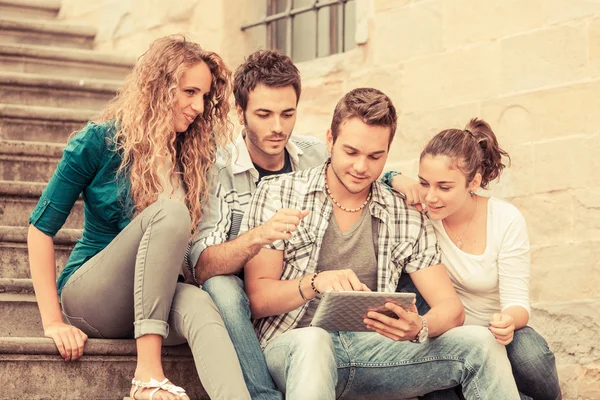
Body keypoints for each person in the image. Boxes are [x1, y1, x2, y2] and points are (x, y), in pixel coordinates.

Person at [241, 88, 520, 399]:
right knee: (314, 342)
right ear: (330, 140)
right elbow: (258, 298)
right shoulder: (279, 193)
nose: (362, 167)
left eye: (375, 156)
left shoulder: (405, 213)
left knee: (481, 343)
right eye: (351, 152)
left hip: (372, 350)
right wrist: (315, 283)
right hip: (294, 345)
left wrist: (418, 327)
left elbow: (451, 310)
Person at [27, 35, 251, 400]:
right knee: (171, 213)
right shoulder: (99, 141)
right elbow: (39, 229)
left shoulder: (190, 153)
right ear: (160, 87)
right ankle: (147, 375)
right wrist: (53, 322)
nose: (198, 106)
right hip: (94, 297)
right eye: (189, 91)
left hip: (154, 299)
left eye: (204, 96)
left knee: (201, 305)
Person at [185, 49, 328, 400]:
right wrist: (258, 236)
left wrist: (396, 178)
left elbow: (362, 169)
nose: (278, 127)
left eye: (287, 114)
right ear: (240, 113)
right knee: (221, 286)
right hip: (240, 298)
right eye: (264, 114)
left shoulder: (313, 155)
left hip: (298, 286)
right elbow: (201, 265)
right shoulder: (216, 169)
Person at [386, 118, 561, 400]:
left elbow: (518, 303)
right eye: (424, 183)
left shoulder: (505, 218)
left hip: (499, 329)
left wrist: (506, 322)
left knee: (533, 357)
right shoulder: (422, 218)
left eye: (444, 187)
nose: (431, 196)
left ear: (474, 182)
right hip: (447, 334)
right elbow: (374, 176)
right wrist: (395, 177)